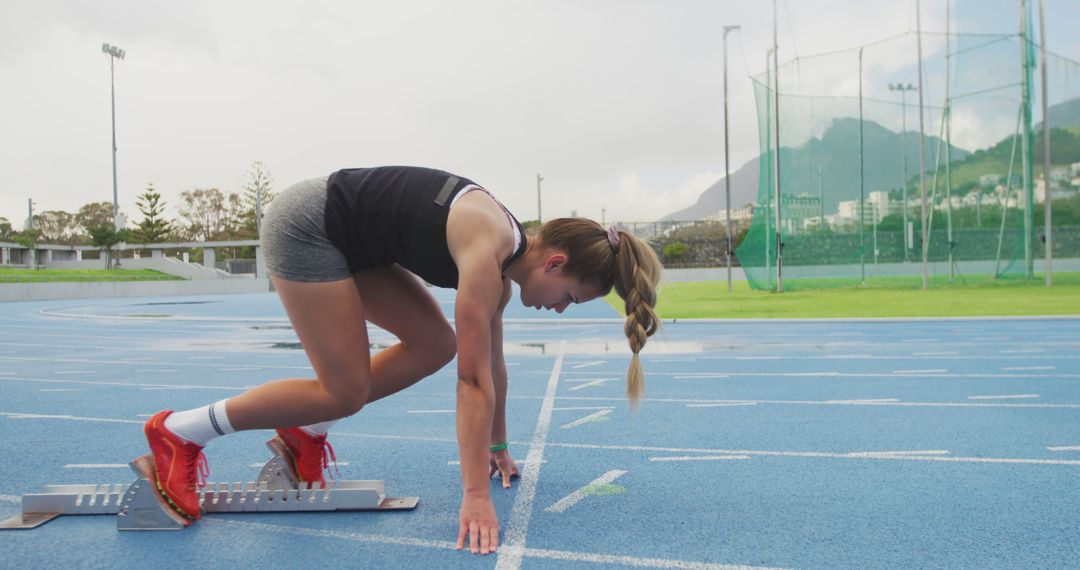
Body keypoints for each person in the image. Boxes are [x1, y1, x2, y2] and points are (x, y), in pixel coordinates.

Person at [141, 165, 661, 554]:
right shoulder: (488, 250)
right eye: (570, 296)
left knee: (436, 343)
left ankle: (304, 433)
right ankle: (181, 431)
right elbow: (471, 384)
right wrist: (475, 494)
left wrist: (497, 445)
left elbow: (492, 366)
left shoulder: (502, 272)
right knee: (344, 390)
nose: (561, 309)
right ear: (555, 262)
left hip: (356, 242)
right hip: (310, 225)